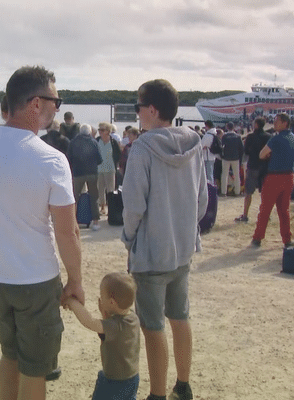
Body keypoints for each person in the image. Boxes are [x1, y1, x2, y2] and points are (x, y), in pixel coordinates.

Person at [0, 65, 84, 400]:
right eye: (56, 99)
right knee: (35, 368)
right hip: (34, 280)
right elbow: (68, 234)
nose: (58, 106)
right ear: (36, 103)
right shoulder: (51, 160)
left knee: (10, 355)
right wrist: (76, 280)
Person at [122, 79, 207, 400]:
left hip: (151, 252)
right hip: (182, 249)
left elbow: (134, 204)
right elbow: (202, 199)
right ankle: (182, 386)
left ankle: (157, 394)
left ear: (152, 109)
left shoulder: (142, 148)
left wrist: (129, 239)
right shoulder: (195, 143)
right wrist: (184, 229)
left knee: (152, 324)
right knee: (180, 317)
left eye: (138, 106)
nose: (137, 112)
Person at [64, 272, 140, 400]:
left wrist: (72, 302)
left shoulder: (115, 325)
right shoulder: (133, 318)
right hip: (132, 378)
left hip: (114, 382)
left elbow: (90, 322)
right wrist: (105, 314)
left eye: (101, 295)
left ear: (111, 302)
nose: (99, 298)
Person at [251, 112, 294, 247]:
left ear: (285, 123)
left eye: (277, 121)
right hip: (289, 176)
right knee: (284, 210)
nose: (275, 123)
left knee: (265, 209)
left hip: (274, 176)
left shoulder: (275, 139)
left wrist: (269, 156)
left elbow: (261, 154)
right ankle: (287, 239)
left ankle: (258, 238)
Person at [235, 117, 271, 222]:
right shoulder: (268, 136)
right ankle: (266, 215)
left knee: (248, 192)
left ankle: (245, 215)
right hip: (264, 166)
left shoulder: (250, 137)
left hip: (253, 165)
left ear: (256, 125)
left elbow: (245, 151)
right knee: (264, 193)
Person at [67, 123, 103, 231]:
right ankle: (96, 222)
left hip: (78, 173)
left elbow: (69, 157)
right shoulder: (94, 142)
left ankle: (72, 222)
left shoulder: (73, 142)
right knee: (94, 197)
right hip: (92, 173)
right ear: (89, 132)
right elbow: (100, 159)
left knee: (74, 197)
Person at [96, 122, 121, 215]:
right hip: (99, 169)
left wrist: (117, 164)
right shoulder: (97, 140)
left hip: (110, 169)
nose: (100, 132)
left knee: (110, 189)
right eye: (99, 130)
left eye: (102, 130)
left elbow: (118, 154)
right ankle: (102, 207)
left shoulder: (113, 142)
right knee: (100, 189)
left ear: (108, 131)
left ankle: (111, 208)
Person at [220, 122, 244, 196]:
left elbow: (221, 147)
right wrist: (240, 157)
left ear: (227, 127)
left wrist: (222, 156)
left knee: (224, 175)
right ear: (233, 127)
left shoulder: (224, 136)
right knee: (237, 175)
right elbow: (242, 148)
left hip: (226, 158)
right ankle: (237, 191)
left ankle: (223, 192)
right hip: (235, 158)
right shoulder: (238, 136)